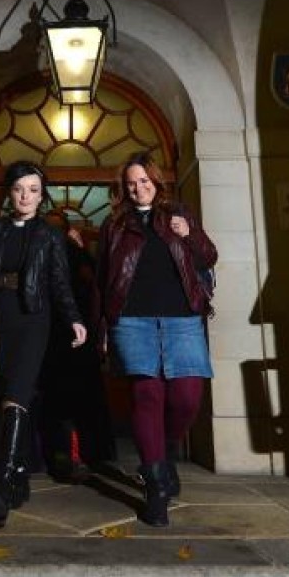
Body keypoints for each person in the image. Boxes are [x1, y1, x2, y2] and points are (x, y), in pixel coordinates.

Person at [0, 160, 87, 526]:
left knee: (17, 395)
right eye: (19, 189)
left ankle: (4, 488)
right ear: (10, 193)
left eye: (33, 190)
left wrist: (74, 318)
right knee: (7, 398)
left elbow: (59, 282)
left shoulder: (50, 235)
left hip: (33, 320)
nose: (26, 196)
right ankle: (21, 475)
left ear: (42, 196)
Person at [96, 151, 218, 527]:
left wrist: (190, 233)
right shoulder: (114, 225)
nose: (138, 189)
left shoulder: (178, 215)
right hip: (132, 321)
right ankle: (155, 488)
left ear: (156, 182)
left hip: (182, 320)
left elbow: (209, 256)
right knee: (146, 396)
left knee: (186, 397)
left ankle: (164, 450)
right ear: (124, 188)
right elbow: (103, 280)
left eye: (144, 181)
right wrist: (99, 327)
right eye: (131, 184)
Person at [37, 210, 115, 482]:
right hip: (73, 338)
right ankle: (82, 455)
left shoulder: (49, 251)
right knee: (79, 401)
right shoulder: (76, 254)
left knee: (56, 401)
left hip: (58, 338)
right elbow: (95, 286)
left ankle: (62, 455)